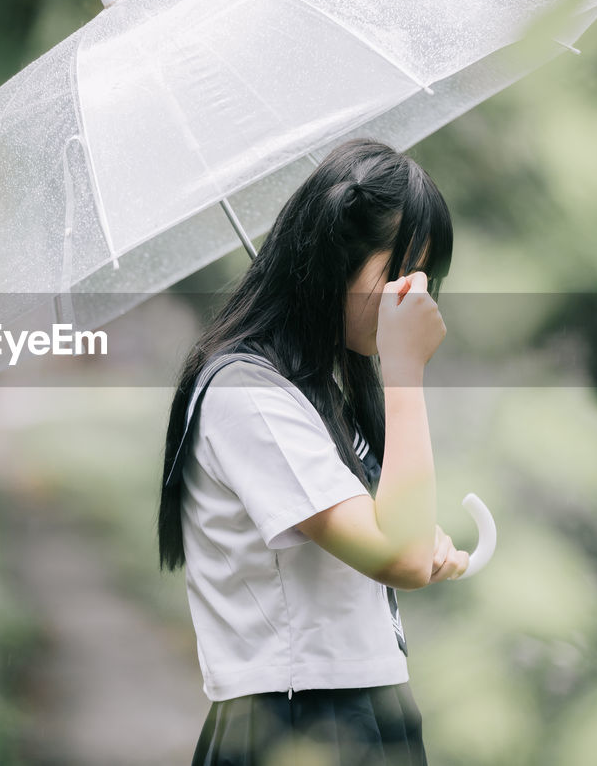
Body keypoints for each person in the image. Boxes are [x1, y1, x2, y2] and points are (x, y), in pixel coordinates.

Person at [157, 137, 469, 765]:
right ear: (333, 261)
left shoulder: (319, 386)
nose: (414, 295)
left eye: (424, 277)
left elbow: (384, 540)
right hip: (301, 721)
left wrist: (411, 530)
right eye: (398, 273)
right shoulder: (246, 394)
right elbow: (398, 561)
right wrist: (405, 367)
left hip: (357, 709)